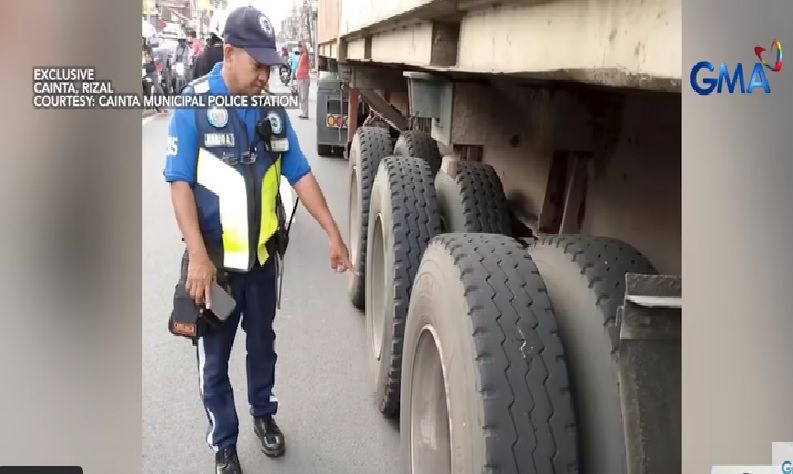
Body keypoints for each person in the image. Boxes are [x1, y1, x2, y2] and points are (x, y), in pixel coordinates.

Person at [163, 5, 354, 474]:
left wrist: (333, 233)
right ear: (229, 54)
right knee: (214, 361)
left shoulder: (269, 110)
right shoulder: (193, 107)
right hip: (218, 273)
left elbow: (300, 173)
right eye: (258, 64)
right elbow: (179, 183)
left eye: (270, 65)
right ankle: (223, 444)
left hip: (262, 268)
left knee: (262, 346)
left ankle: (264, 416)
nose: (266, 75)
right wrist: (197, 257)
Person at [142, 35, 163, 113]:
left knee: (157, 87)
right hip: (141, 70)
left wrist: (145, 59)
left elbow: (150, 58)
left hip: (150, 70)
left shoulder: (148, 48)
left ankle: (161, 104)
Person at [295, 40, 310, 119]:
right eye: (299, 46)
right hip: (299, 79)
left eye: (300, 46)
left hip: (304, 79)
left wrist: (304, 47)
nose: (299, 48)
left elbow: (306, 51)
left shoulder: (305, 55)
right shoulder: (300, 55)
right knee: (300, 97)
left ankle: (305, 113)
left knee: (304, 97)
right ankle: (303, 112)